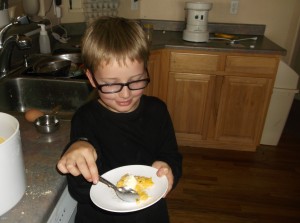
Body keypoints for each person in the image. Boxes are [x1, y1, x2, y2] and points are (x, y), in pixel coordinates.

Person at [56, 16, 182, 223]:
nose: (125, 95)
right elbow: (79, 190)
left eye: (136, 81)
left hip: (150, 215)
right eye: (111, 84)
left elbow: (172, 155)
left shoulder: (157, 111)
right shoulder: (85, 118)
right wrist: (77, 151)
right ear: (91, 78)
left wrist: (168, 167)